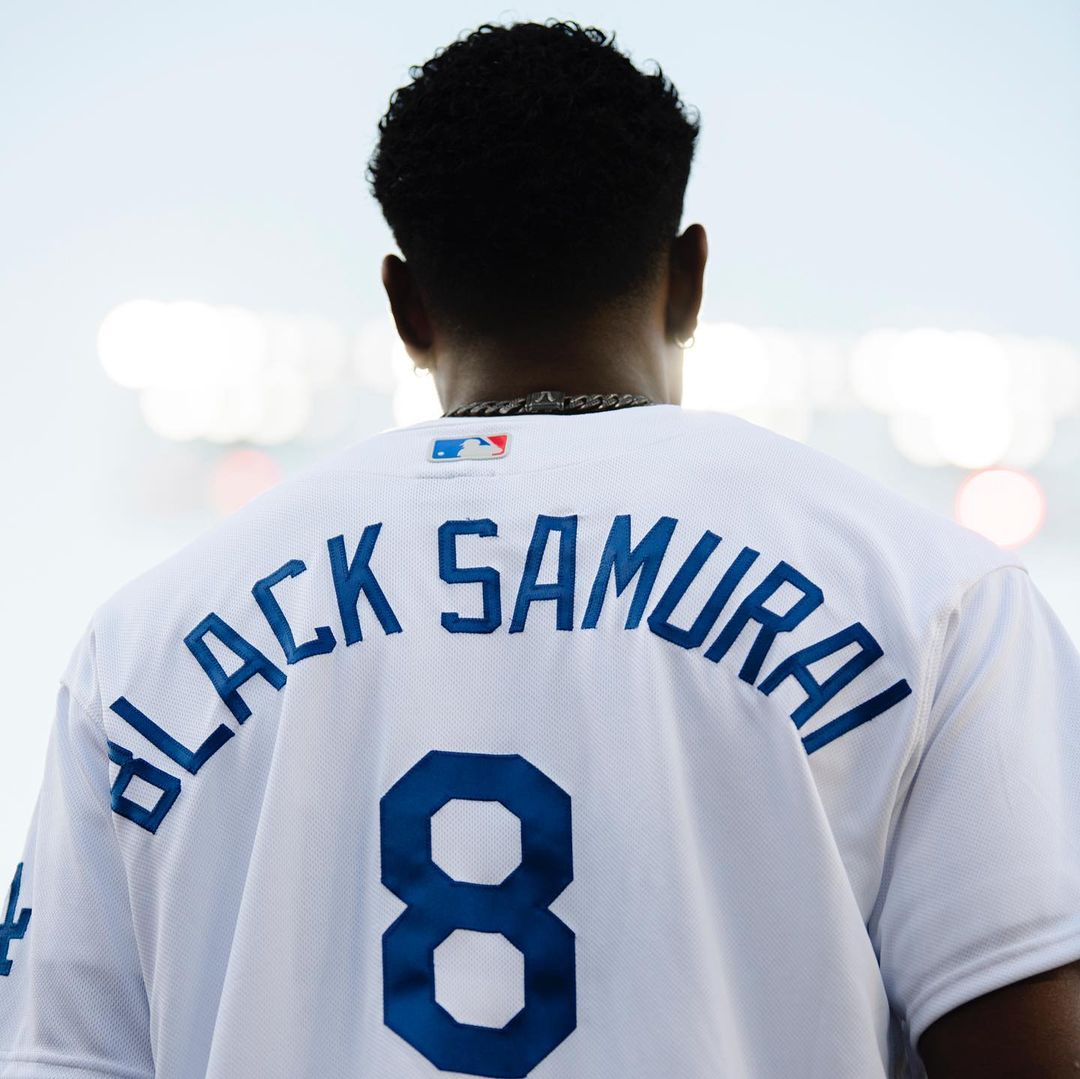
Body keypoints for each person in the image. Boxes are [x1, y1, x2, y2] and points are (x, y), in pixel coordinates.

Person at [1, 17, 1078, 1079]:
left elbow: (59, 1056)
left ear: (406, 302)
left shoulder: (140, 649)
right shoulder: (932, 597)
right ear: (690, 277)